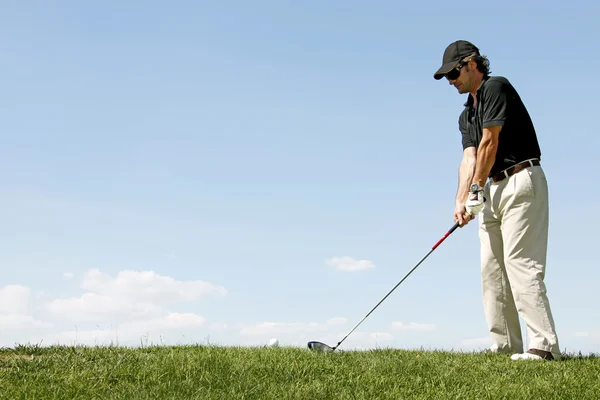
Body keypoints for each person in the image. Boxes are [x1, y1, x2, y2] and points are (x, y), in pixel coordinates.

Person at [432, 40, 561, 361]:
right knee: (492, 270)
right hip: (492, 187)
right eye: (446, 76)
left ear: (471, 63)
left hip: (521, 180)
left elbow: (491, 140)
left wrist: (476, 189)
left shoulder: (495, 88)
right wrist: (461, 201)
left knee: (521, 265)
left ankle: (544, 347)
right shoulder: (466, 115)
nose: (450, 81)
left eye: (453, 73)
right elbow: (469, 158)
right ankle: (505, 346)